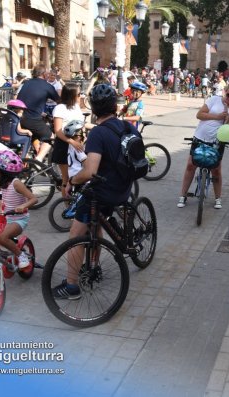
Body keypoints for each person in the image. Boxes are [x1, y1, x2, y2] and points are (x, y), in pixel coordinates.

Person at [54, 84, 142, 299]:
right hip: (124, 189)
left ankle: (72, 286)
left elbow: (90, 172)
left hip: (102, 192)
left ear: (93, 108)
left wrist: (70, 181)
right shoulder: (127, 127)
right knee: (96, 221)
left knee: (76, 233)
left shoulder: (97, 134)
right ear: (114, 105)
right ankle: (94, 264)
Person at [177, 83, 229, 210]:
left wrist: (227, 123)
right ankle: (182, 196)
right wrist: (218, 116)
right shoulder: (213, 100)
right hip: (200, 138)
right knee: (191, 166)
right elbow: (199, 115)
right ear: (225, 91)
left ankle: (218, 198)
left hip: (217, 143)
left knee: (216, 170)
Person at [17, 64, 60, 162]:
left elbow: (21, 100)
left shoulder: (26, 83)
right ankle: (38, 160)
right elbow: (59, 101)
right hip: (32, 120)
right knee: (50, 137)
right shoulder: (47, 86)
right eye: (48, 73)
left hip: (20, 118)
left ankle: (36, 151)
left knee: (35, 133)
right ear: (44, 74)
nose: (49, 75)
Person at [51, 84, 88, 197]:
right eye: (78, 94)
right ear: (72, 95)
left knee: (81, 175)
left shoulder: (76, 107)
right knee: (66, 178)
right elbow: (58, 130)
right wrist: (71, 142)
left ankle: (76, 202)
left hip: (78, 145)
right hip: (64, 145)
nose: (80, 96)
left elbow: (82, 124)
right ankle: (67, 206)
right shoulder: (60, 108)